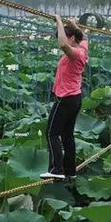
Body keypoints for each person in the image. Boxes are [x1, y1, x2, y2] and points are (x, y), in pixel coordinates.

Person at [40, 16, 88, 180]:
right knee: (68, 135)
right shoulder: (82, 48)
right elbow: (84, 37)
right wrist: (74, 26)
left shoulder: (75, 54)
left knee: (51, 133)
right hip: (75, 97)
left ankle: (56, 169)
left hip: (65, 97)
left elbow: (62, 44)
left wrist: (59, 22)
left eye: (67, 36)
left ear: (72, 38)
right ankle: (70, 171)